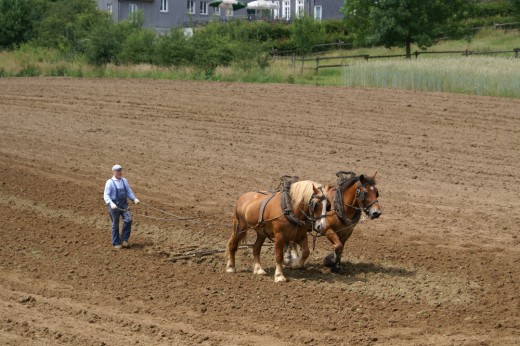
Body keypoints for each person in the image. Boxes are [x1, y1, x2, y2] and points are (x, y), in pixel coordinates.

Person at [103, 164, 140, 249]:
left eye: (120, 170)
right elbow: (106, 195)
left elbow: (128, 191)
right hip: (114, 205)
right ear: (113, 172)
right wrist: (111, 203)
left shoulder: (124, 181)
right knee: (115, 225)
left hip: (124, 204)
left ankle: (124, 240)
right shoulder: (110, 182)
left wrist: (134, 199)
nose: (119, 172)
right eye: (117, 171)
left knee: (128, 220)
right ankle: (116, 243)